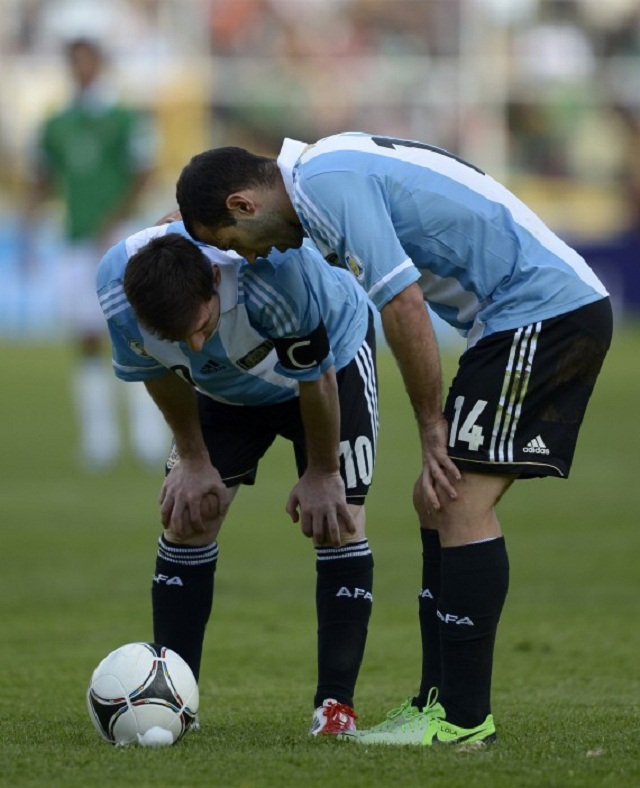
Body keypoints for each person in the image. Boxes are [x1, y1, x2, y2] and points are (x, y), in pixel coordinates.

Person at [173, 133, 613, 746]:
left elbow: (403, 304)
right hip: (516, 315)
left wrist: (432, 430)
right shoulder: (321, 174)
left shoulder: (324, 186)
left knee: (457, 498)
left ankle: (461, 721)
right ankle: (436, 705)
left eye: (232, 243)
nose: (246, 258)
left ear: (244, 205)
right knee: (436, 501)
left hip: (542, 308)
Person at [96, 220, 379, 736]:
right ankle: (176, 697)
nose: (197, 343)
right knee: (187, 516)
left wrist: (322, 472)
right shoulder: (116, 290)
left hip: (329, 366)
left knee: (337, 519)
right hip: (225, 392)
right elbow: (155, 372)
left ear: (212, 278)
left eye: (202, 325)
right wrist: (193, 458)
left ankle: (336, 708)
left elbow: (315, 378)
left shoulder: (273, 276)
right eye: (179, 338)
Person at [22, 36, 168, 470]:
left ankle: (149, 434)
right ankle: (98, 437)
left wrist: (114, 219)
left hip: (119, 237)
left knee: (139, 332)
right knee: (85, 338)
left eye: (87, 61)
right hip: (74, 238)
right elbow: (43, 175)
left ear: (101, 64)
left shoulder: (125, 117)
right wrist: (30, 220)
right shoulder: (57, 122)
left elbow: (144, 171)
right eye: (74, 62)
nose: (80, 69)